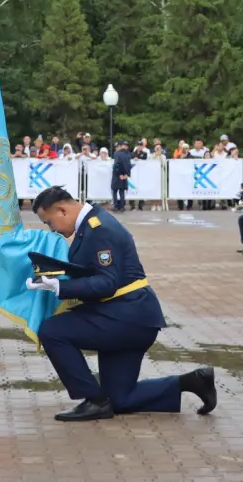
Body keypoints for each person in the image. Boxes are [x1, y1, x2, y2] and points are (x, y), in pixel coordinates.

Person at [26, 186, 216, 420]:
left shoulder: (99, 228)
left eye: (49, 222)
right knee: (119, 399)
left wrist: (59, 287)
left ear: (62, 210)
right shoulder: (91, 225)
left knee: (53, 330)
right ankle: (193, 381)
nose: (51, 229)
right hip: (129, 317)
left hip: (126, 319)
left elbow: (107, 283)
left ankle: (93, 401)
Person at [111, 140, 132, 212]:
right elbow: (128, 165)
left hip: (117, 175)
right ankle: (122, 206)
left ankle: (115, 206)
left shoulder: (117, 153)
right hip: (124, 175)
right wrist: (127, 174)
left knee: (114, 191)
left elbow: (117, 164)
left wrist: (119, 174)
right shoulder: (128, 154)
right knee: (122, 191)